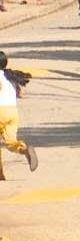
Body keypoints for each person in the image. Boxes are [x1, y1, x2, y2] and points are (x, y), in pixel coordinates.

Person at [0, 52, 38, 181]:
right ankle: (25, 150)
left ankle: (0, 173)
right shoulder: (10, 76)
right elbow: (19, 94)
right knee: (10, 142)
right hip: (12, 112)